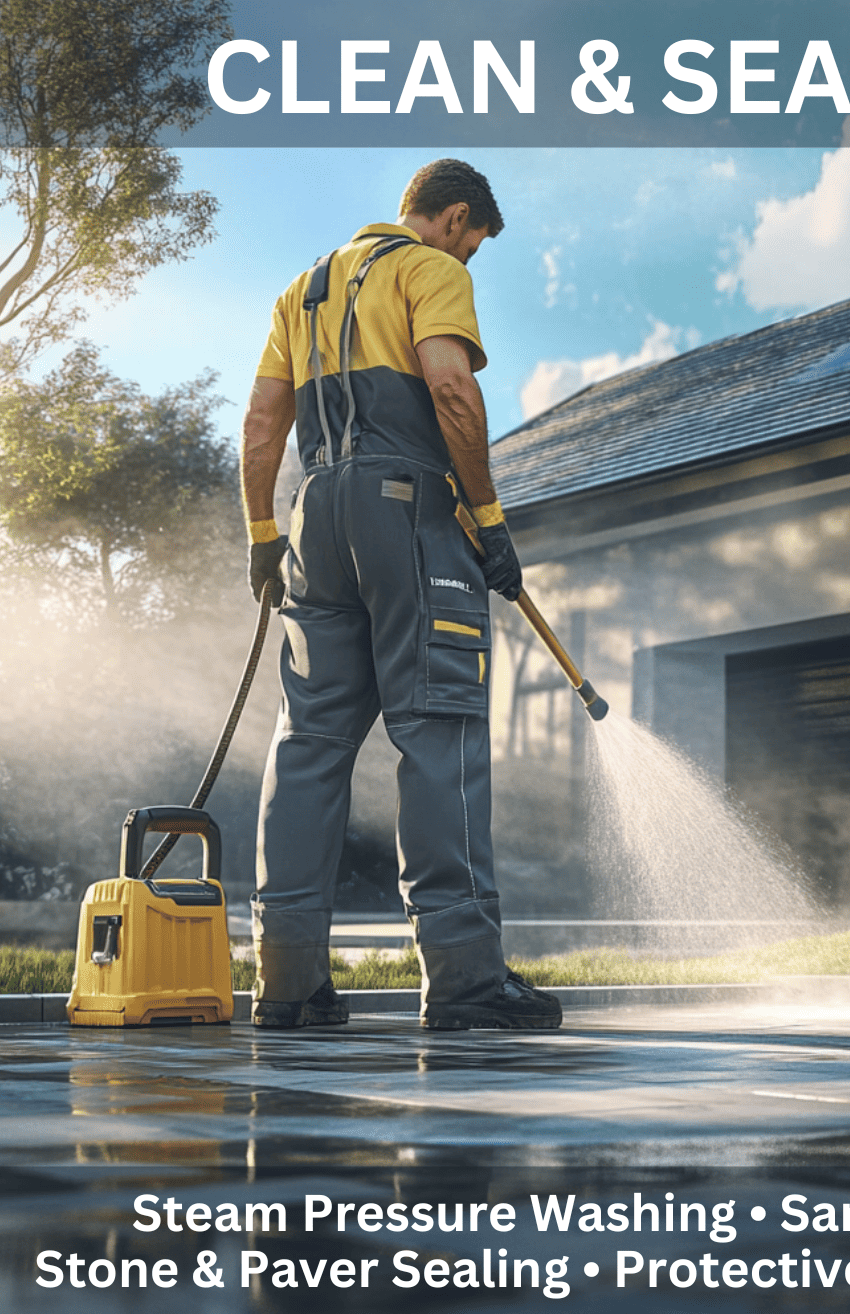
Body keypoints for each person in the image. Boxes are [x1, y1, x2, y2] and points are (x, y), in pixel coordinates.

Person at [239, 159, 561, 1032]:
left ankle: (287, 985)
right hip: (408, 511)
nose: (468, 259)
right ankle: (464, 980)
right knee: (439, 731)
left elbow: (264, 424)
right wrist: (488, 520)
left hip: (313, 520)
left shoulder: (301, 292)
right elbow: (451, 387)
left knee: (307, 744)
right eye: (473, 244)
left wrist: (264, 535)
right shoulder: (429, 269)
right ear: (454, 219)